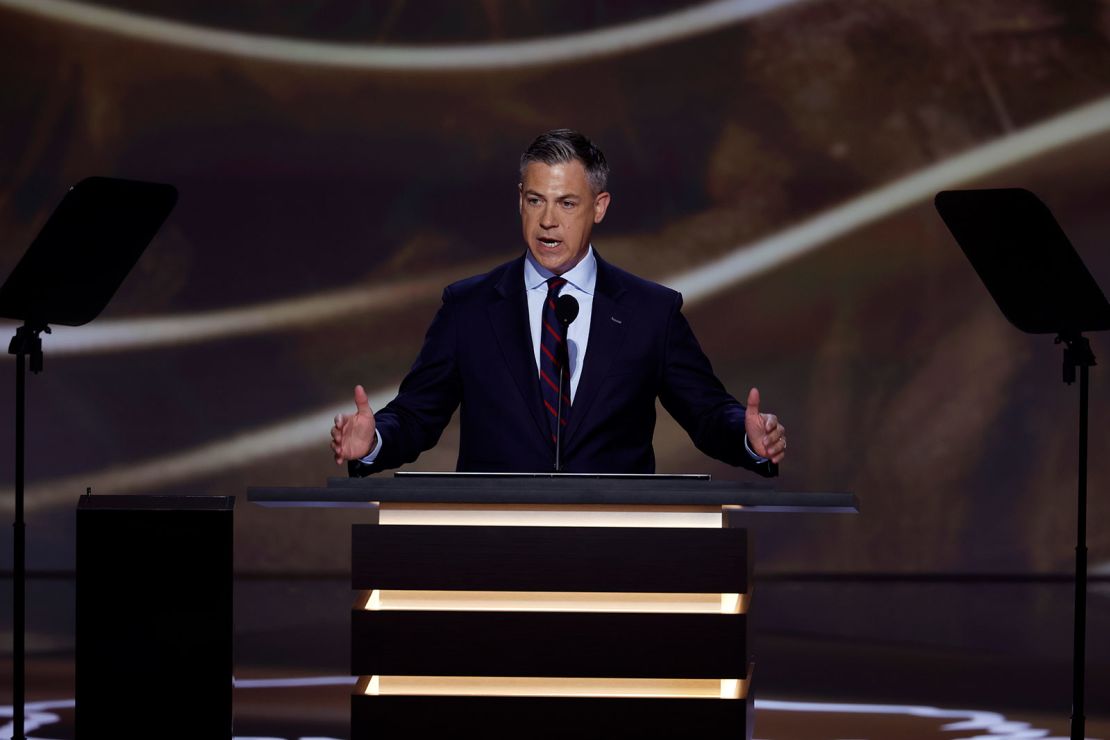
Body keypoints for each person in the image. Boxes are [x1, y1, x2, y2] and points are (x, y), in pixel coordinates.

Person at [331, 129, 786, 476]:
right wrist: (374, 441)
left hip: (615, 552)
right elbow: (416, 415)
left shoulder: (651, 312)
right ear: (520, 201)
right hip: (493, 552)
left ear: (599, 206)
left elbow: (706, 412)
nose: (548, 221)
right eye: (536, 201)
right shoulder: (468, 307)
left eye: (567, 203)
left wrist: (747, 438)